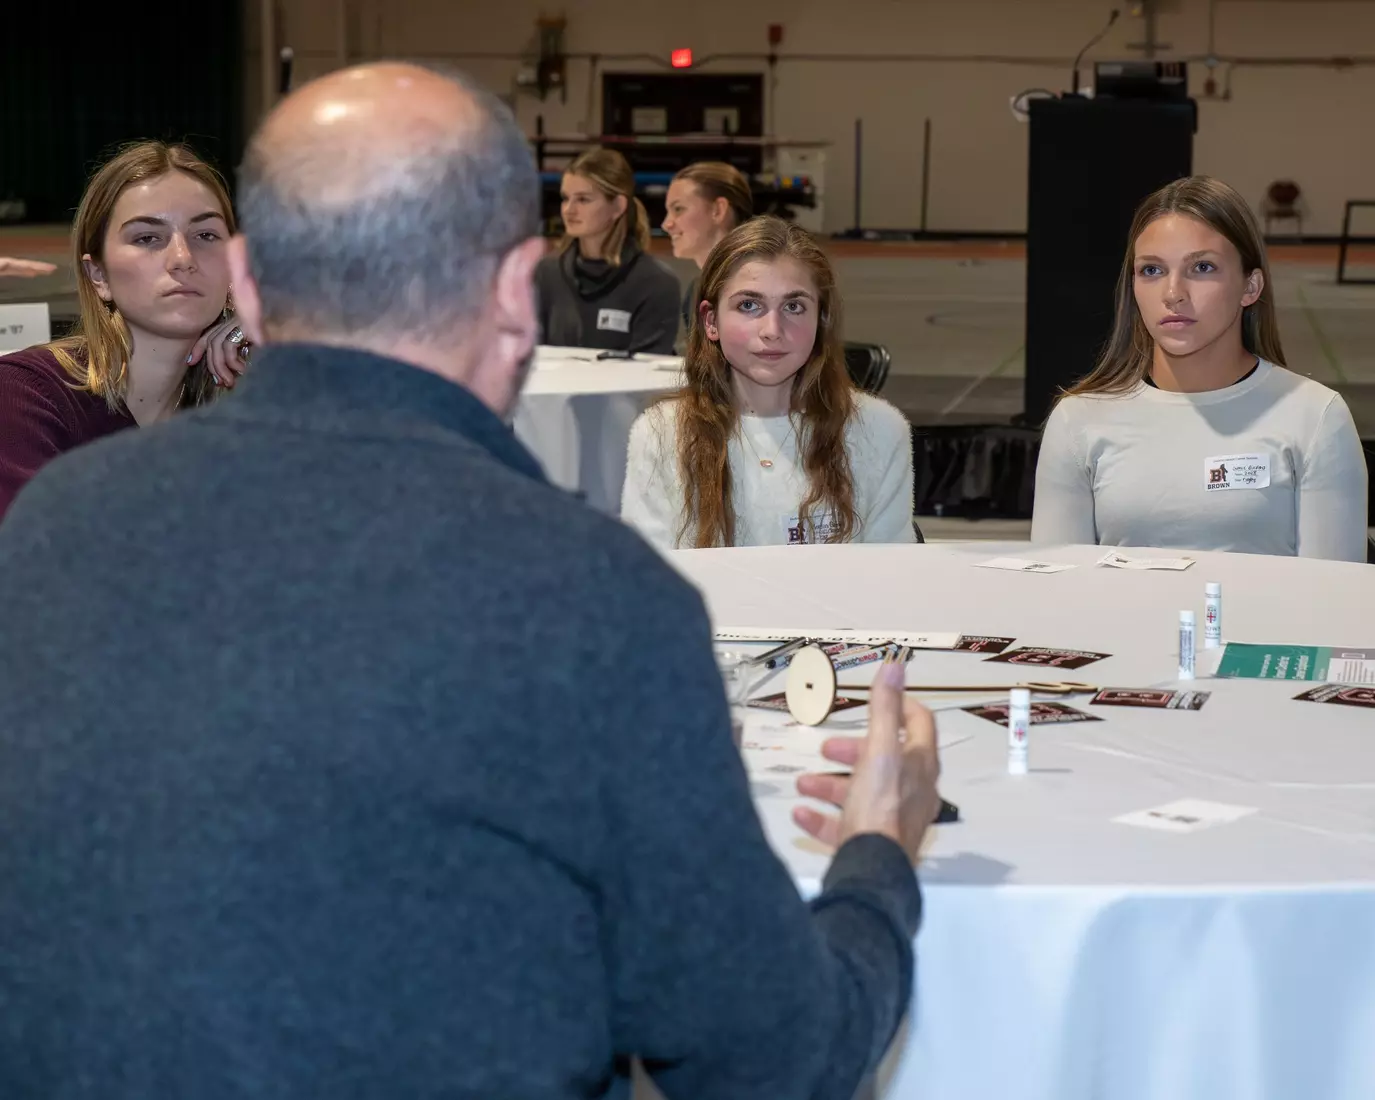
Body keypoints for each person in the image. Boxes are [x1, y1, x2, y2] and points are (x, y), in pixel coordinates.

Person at [0, 62, 942, 1100]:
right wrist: (875, 858)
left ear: (253, 284)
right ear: (512, 292)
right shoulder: (592, 599)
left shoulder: (58, 526)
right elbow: (772, 1055)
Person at [1032, 175, 1368, 561]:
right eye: (1152, 270)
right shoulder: (1078, 421)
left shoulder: (1315, 418)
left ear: (1250, 286)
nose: (1173, 293)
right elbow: (1055, 590)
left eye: (1202, 267)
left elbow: (1333, 601)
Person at [621, 215, 915, 551]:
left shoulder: (879, 430)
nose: (772, 329)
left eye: (793, 306)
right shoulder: (661, 433)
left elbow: (890, 577)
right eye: (749, 305)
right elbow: (645, 581)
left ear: (821, 319)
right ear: (711, 320)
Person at [0, 141, 249, 520]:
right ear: (98, 275)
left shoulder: (246, 403)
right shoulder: (26, 396)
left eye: (206, 235)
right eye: (147, 238)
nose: (183, 259)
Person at [535, 146, 680, 354]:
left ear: (618, 206)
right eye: (566, 198)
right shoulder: (546, 273)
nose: (568, 210)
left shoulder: (656, 282)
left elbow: (648, 376)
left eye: (583, 199)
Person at [663, 160, 753, 331]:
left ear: (718, 210)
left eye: (678, 209)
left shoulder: (759, 286)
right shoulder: (697, 290)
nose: (666, 224)